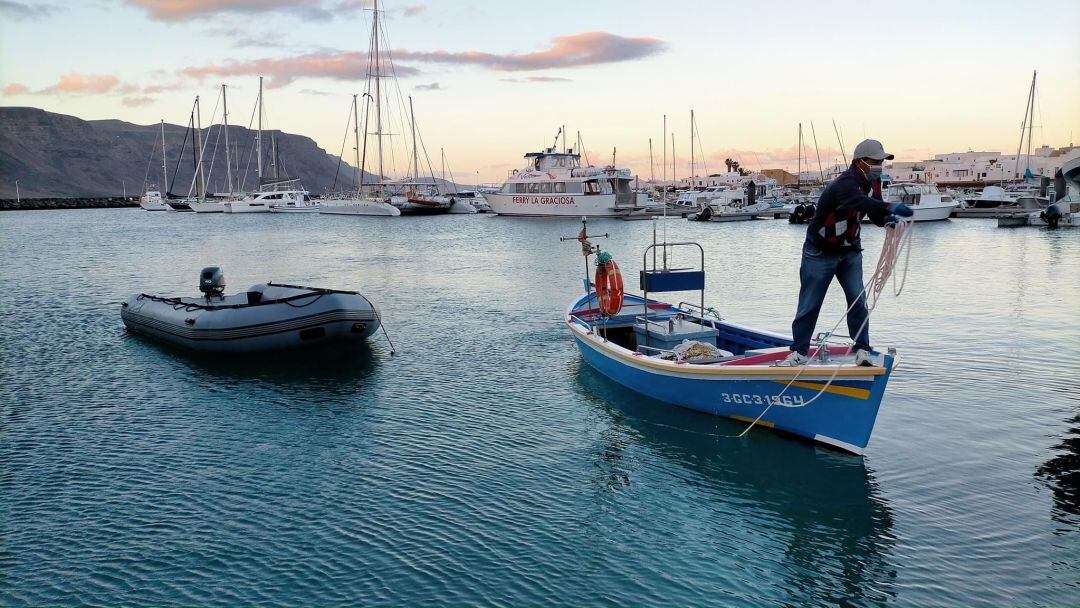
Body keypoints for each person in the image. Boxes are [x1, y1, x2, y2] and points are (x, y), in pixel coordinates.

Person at [781, 139, 913, 367]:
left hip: (850, 252)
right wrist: (891, 208)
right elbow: (858, 201)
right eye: (876, 161)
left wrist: (887, 220)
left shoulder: (875, 182)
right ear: (860, 162)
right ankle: (799, 352)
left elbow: (873, 210)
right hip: (819, 252)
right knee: (809, 303)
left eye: (882, 162)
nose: (879, 165)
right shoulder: (844, 184)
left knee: (858, 300)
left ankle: (862, 348)